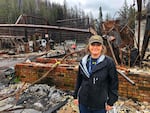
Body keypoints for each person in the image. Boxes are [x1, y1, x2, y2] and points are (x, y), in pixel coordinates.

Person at [73, 35, 118, 113]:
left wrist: (111, 101)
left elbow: (113, 83)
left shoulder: (108, 63)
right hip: (84, 102)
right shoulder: (83, 62)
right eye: (93, 44)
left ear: (102, 47)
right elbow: (79, 80)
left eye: (98, 45)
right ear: (89, 46)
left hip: (99, 104)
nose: (95, 47)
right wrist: (75, 96)